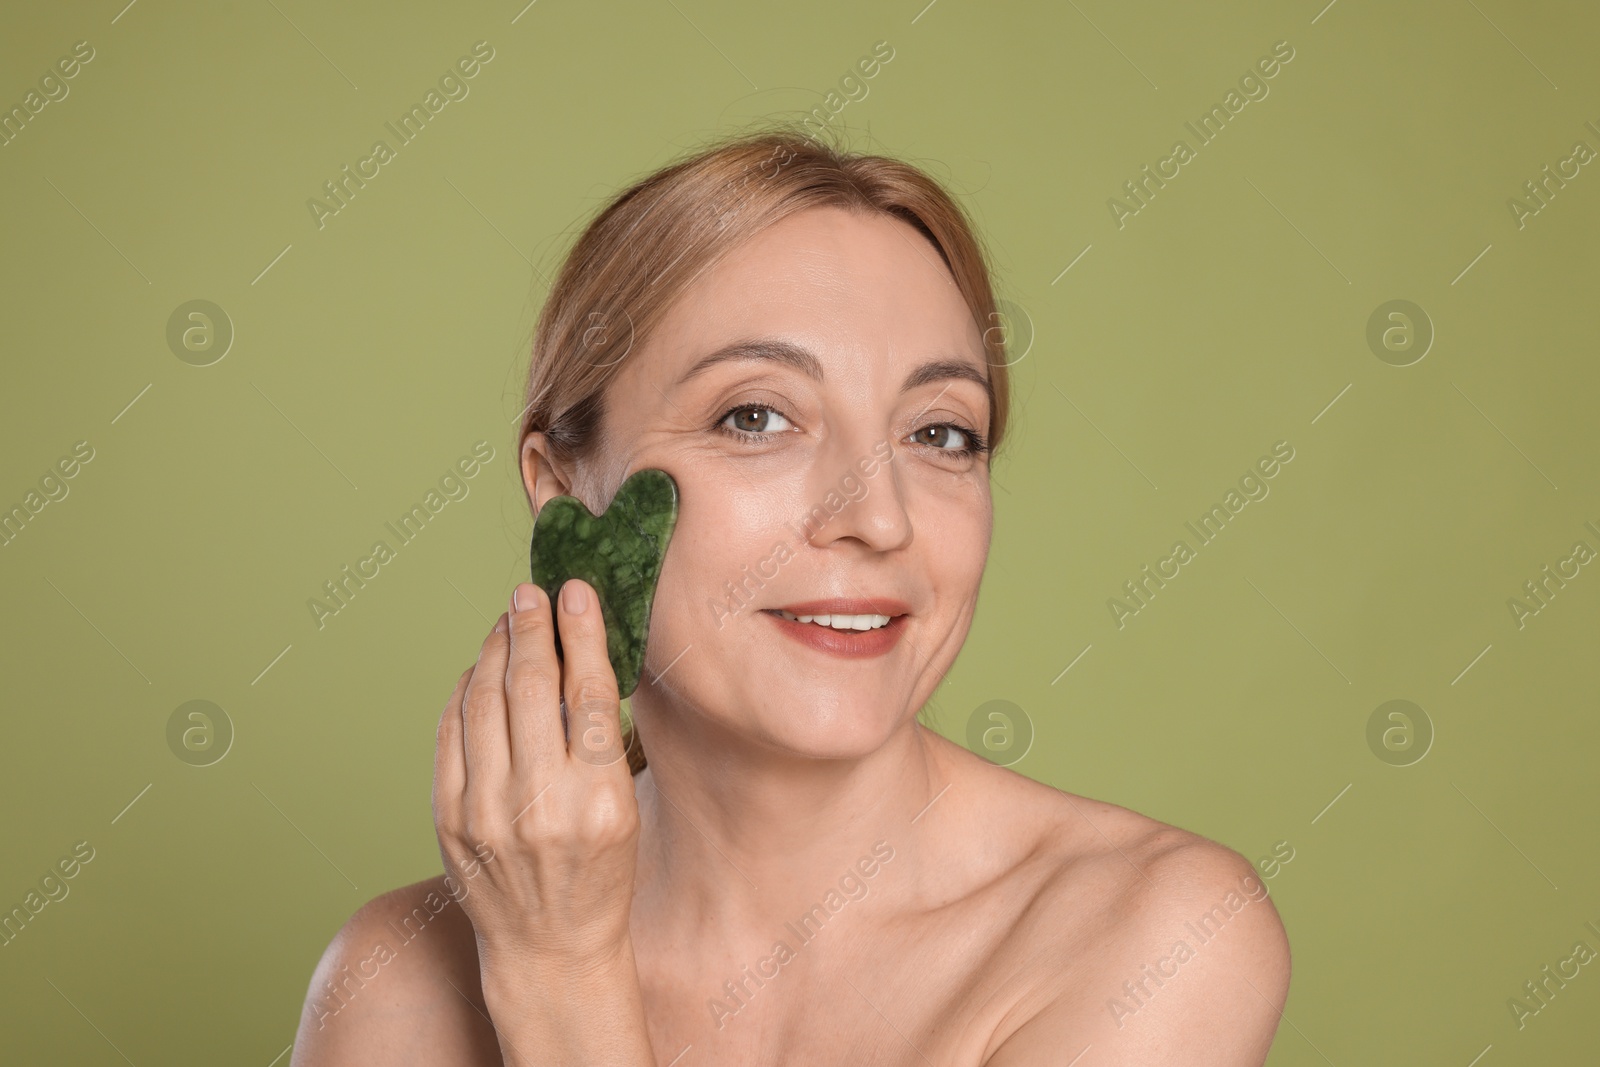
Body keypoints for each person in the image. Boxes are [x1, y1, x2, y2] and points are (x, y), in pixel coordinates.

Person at [292, 126, 1291, 1066]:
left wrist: (560, 983)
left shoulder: (1153, 932)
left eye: (940, 431)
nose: (880, 517)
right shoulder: (396, 984)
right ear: (563, 494)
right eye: (757, 415)